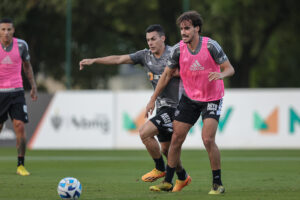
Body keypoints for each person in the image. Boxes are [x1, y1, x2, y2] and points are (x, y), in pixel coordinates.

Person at [79, 24, 191, 192]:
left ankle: (160, 168)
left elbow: (193, 72)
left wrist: (180, 73)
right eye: (148, 40)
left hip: (177, 107)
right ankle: (182, 177)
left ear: (163, 38)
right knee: (167, 150)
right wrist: (95, 60)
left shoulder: (174, 53)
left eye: (153, 39)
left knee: (144, 132)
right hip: (162, 107)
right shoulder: (144, 56)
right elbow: (118, 59)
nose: (150, 43)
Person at [146, 11, 235, 194]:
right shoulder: (178, 49)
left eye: (187, 28)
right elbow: (166, 75)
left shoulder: (211, 46)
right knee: (176, 138)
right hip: (189, 98)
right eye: (181, 29)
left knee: (207, 139)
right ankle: (168, 182)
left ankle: (217, 184)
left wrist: (221, 74)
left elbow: (229, 69)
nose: (184, 32)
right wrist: (152, 99)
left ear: (197, 28)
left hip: (211, 98)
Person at [0, 18, 38, 176]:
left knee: (20, 127)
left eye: (9, 29)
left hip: (17, 92)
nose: (6, 32)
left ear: (13, 30)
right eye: (3, 29)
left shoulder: (21, 45)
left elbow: (27, 67)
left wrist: (33, 85)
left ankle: (20, 165)